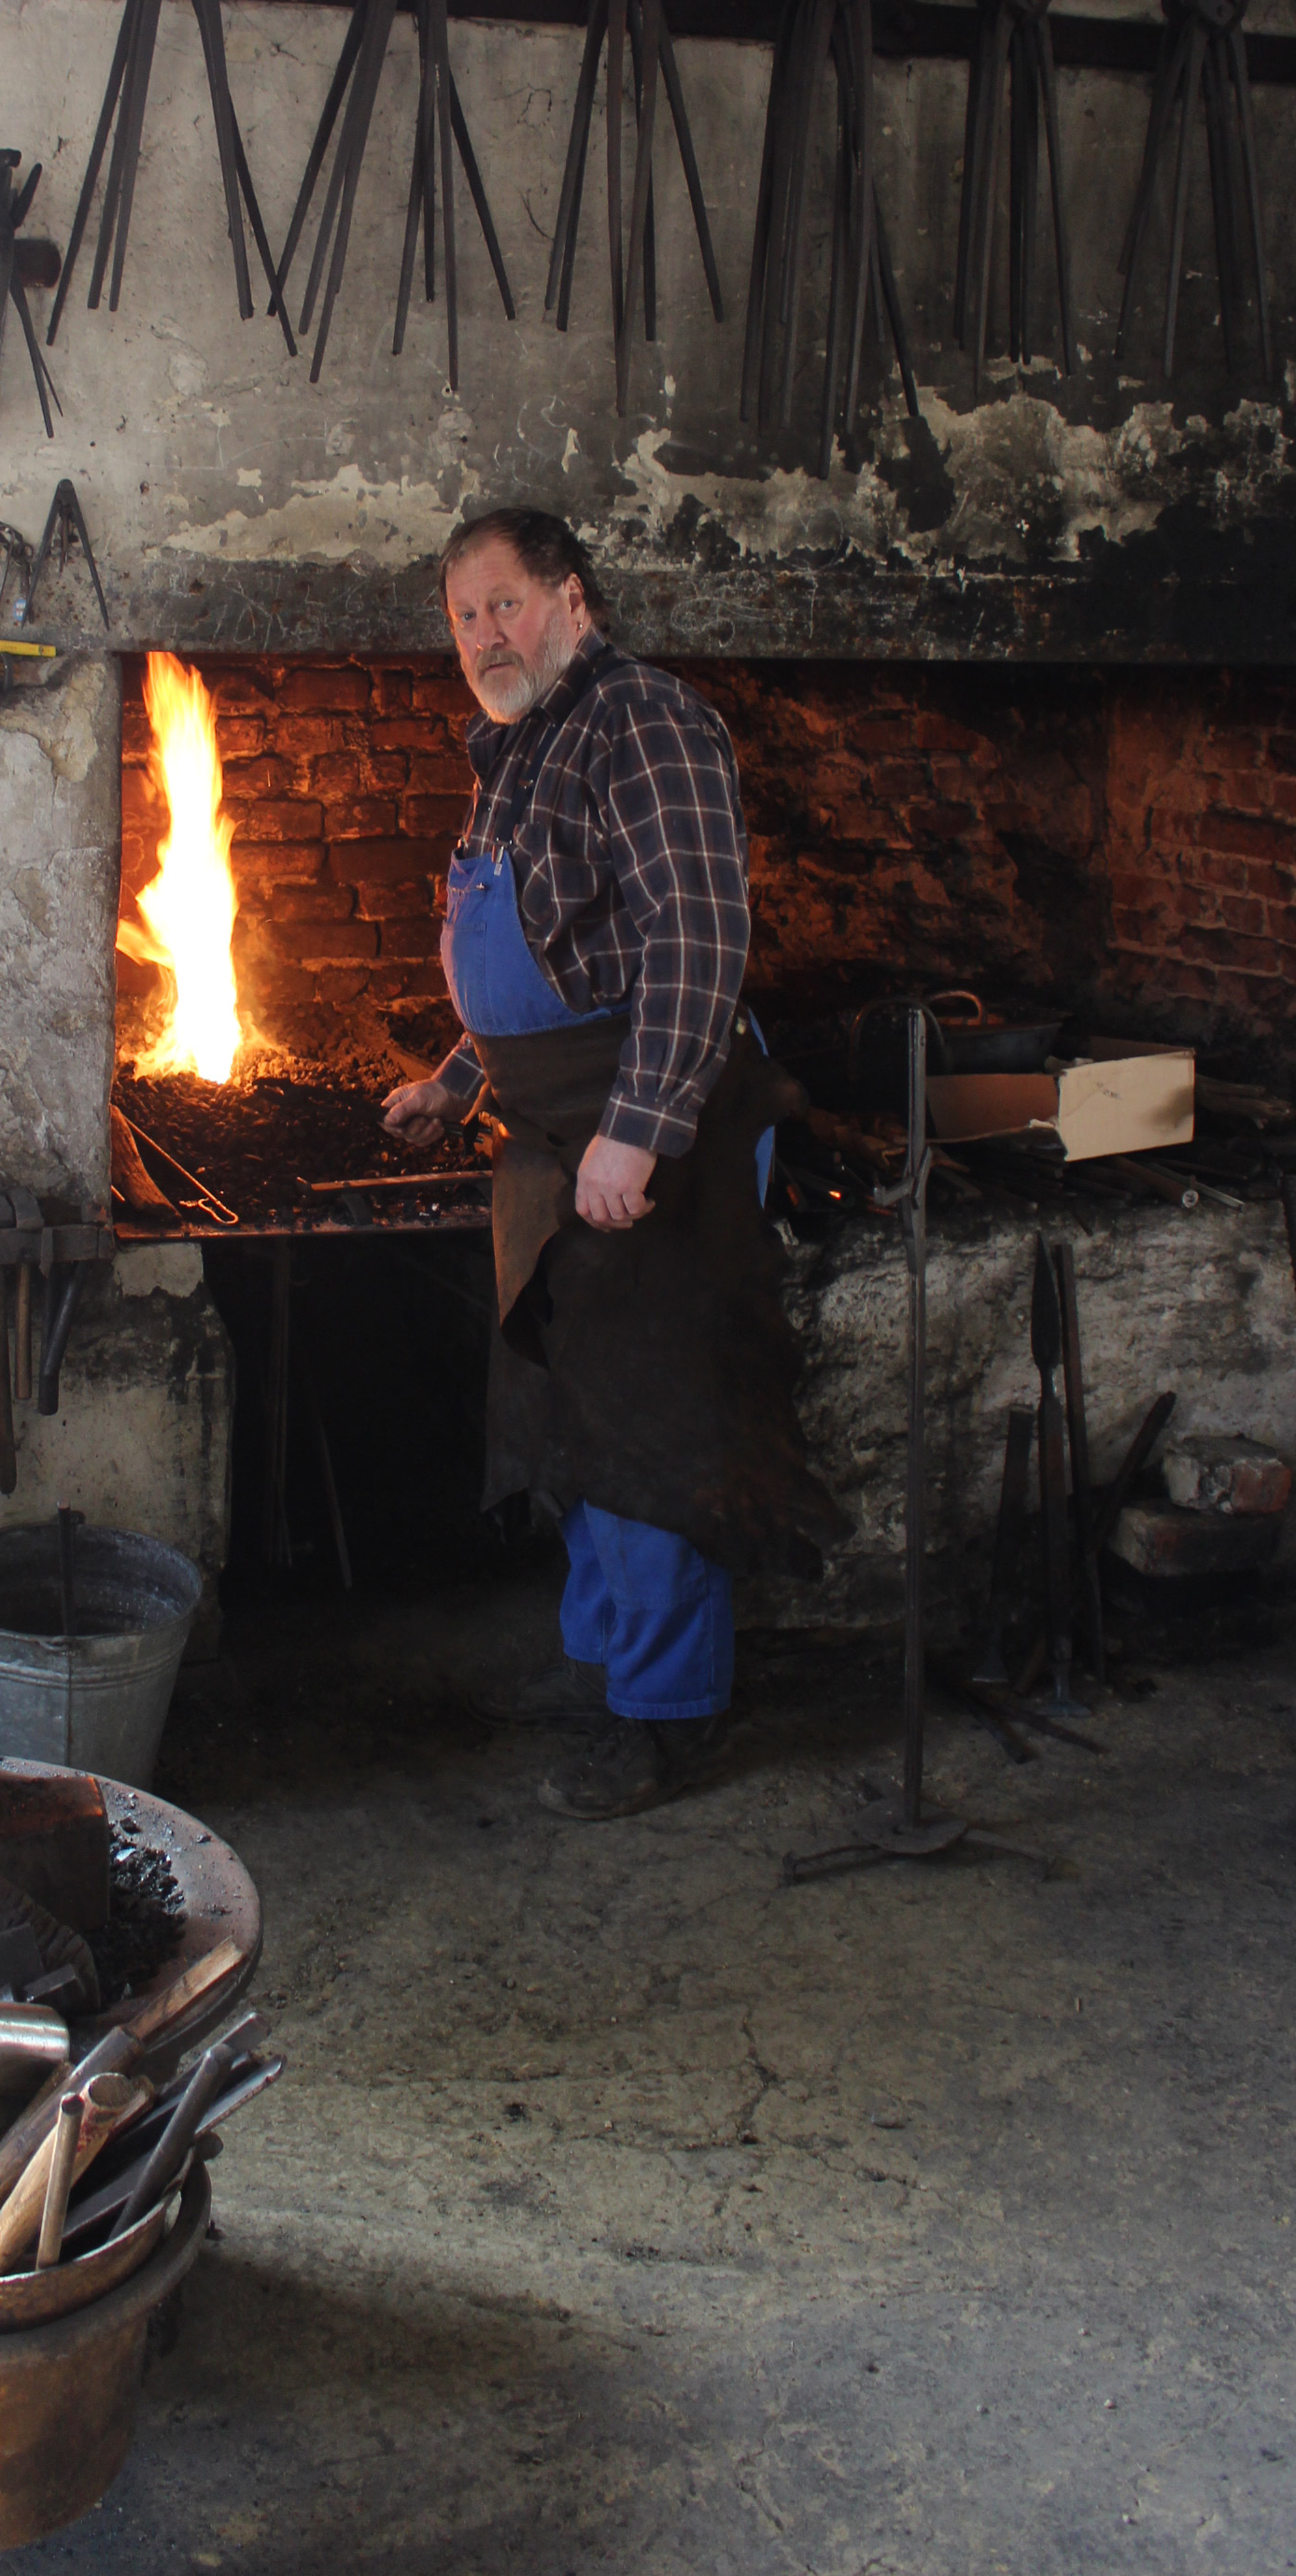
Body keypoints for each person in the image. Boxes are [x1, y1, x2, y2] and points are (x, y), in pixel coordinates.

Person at [386, 507, 841, 1819]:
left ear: (572, 601)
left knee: (651, 1432)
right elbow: (542, 958)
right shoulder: (520, 751)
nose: (483, 634)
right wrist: (456, 1081)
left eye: (506, 603)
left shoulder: (641, 721)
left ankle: (669, 1714)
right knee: (574, 1424)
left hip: (653, 1136)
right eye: (463, 613)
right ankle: (606, 1671)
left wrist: (637, 1129)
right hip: (551, 1142)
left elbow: (695, 942)